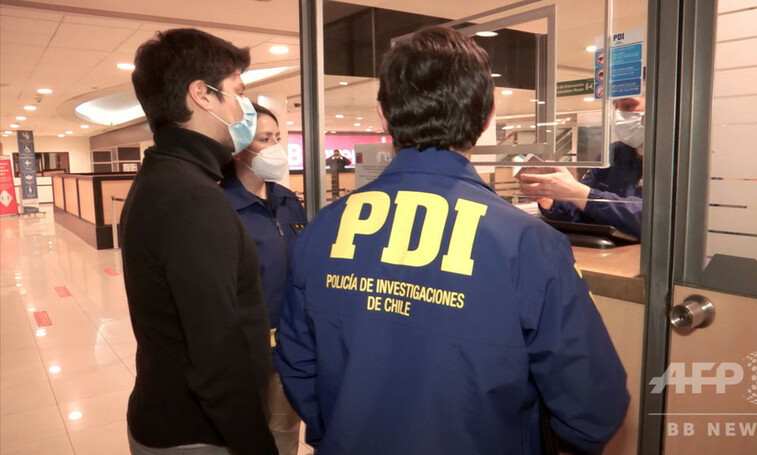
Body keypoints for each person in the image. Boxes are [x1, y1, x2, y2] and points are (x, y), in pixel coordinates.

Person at [275, 26, 629, 454]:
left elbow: (298, 365)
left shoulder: (322, 230)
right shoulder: (528, 244)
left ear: (382, 116)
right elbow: (592, 406)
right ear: (487, 117)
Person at [120, 28, 277, 454]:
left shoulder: (164, 176)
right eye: (237, 92)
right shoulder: (192, 198)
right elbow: (217, 356)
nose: (244, 107)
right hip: (198, 435)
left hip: (169, 419)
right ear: (202, 95)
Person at [221, 103, 306, 455]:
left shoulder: (288, 202)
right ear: (238, 148)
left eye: (277, 138)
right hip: (246, 356)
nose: (275, 147)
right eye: (264, 139)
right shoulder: (221, 207)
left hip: (289, 349)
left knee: (284, 435)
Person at [517, 96, 645, 238]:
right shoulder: (613, 154)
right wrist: (549, 199)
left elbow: (650, 218)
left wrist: (578, 192)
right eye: (615, 107)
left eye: (628, 105)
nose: (619, 115)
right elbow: (580, 210)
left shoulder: (665, 160)